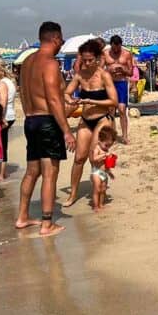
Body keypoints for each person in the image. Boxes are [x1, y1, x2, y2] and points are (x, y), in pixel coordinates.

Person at [15, 22, 76, 236]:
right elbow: (52, 99)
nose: (62, 43)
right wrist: (67, 130)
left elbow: (22, 94)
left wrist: (32, 116)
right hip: (47, 122)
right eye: (61, 40)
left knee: (33, 171)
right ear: (55, 39)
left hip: (30, 120)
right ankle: (47, 223)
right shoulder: (49, 64)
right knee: (50, 172)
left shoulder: (28, 62)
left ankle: (22, 216)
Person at [63, 40, 118, 207]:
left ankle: (100, 191)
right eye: (84, 60)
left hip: (102, 119)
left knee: (96, 159)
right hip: (86, 120)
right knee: (79, 158)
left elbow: (113, 101)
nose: (86, 63)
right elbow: (66, 92)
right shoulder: (80, 75)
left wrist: (91, 100)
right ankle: (73, 194)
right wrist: (71, 101)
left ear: (98, 58)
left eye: (90, 60)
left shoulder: (104, 75)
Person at [103, 35, 134, 144]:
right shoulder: (105, 53)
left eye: (118, 48)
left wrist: (123, 69)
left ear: (121, 45)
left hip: (121, 82)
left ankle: (124, 136)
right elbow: (100, 70)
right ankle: (113, 134)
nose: (116, 51)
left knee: (121, 109)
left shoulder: (126, 54)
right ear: (111, 45)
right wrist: (109, 71)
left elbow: (131, 72)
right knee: (111, 110)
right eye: (114, 48)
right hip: (110, 82)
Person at [88, 122, 117, 212]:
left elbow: (106, 165)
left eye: (110, 145)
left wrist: (110, 173)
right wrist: (103, 155)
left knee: (103, 189)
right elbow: (94, 159)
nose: (107, 147)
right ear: (99, 141)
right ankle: (96, 206)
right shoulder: (97, 148)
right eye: (106, 145)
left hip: (104, 173)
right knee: (97, 189)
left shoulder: (105, 149)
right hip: (96, 172)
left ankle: (101, 204)